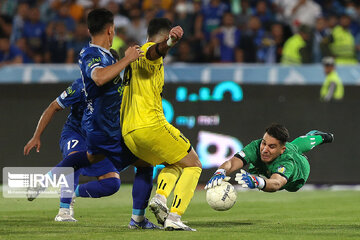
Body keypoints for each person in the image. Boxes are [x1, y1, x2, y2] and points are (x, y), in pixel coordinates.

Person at [27, 8, 158, 229]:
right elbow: (97, 78)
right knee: (79, 157)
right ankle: (64, 208)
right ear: (111, 30)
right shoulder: (91, 58)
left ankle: (52, 182)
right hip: (84, 130)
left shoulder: (108, 59)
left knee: (116, 180)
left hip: (107, 131)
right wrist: (36, 136)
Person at [120, 18, 202, 231]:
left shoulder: (132, 57)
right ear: (164, 35)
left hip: (129, 132)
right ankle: (174, 218)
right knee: (193, 163)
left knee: (174, 162)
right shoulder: (147, 50)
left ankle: (161, 198)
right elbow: (154, 52)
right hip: (150, 125)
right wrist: (171, 43)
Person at [205, 123, 333, 192]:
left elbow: (277, 183)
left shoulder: (287, 160)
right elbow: (232, 163)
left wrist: (258, 182)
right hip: (267, 167)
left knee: (294, 148)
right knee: (293, 146)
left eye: (271, 146)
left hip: (297, 174)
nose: (265, 149)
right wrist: (221, 171)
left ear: (281, 150)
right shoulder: (256, 146)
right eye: (264, 143)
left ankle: (321, 137)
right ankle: (320, 136)